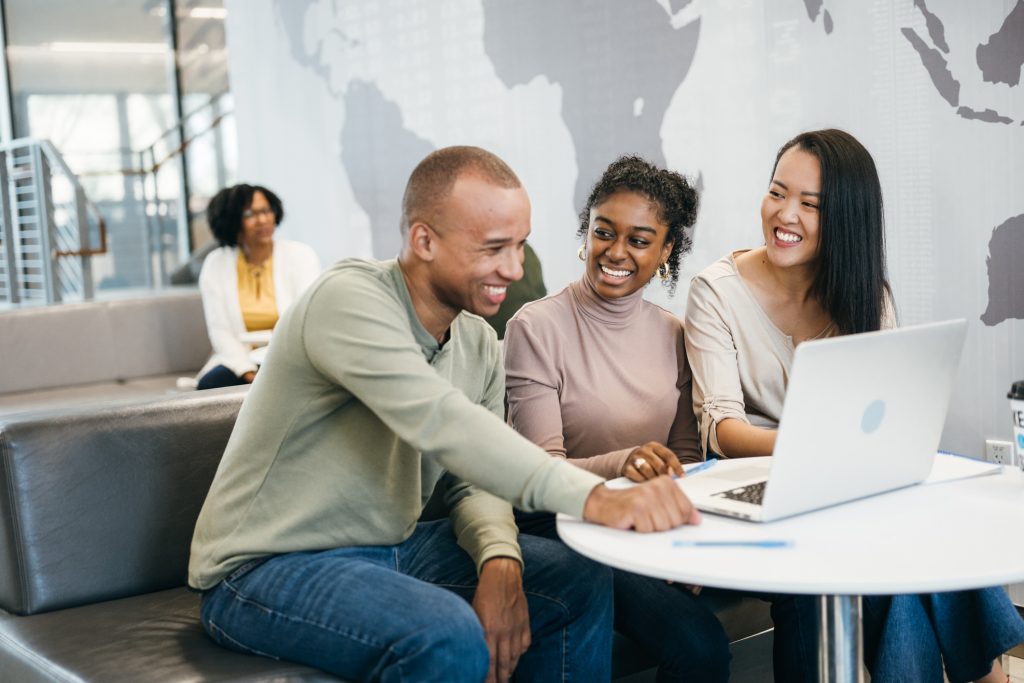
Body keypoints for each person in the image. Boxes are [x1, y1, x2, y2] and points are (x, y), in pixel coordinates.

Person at [188, 146, 701, 683]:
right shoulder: (347, 299)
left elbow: (470, 480)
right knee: (447, 633)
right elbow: (441, 422)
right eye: (493, 248)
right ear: (424, 240)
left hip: (390, 547)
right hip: (264, 567)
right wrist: (595, 499)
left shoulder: (478, 341)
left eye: (520, 245)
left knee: (575, 578)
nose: (515, 268)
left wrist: (500, 558)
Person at [684, 128, 1024, 682]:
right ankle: (991, 676)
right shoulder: (716, 292)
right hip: (768, 494)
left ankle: (988, 676)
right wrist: (822, 451)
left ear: (846, 216)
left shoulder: (867, 293)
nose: (784, 213)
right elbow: (722, 428)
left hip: (849, 487)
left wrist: (858, 457)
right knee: (894, 550)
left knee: (920, 524)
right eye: (777, 192)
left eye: (810, 204)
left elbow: (894, 411)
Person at [503, 155, 730, 681]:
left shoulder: (674, 333)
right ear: (588, 232)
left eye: (639, 239)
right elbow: (541, 474)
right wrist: (625, 464)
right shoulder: (535, 328)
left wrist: (682, 546)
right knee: (698, 646)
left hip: (647, 520)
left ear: (666, 250)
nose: (616, 252)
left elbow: (688, 458)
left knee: (707, 643)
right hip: (563, 521)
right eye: (605, 232)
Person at [195, 184, 321, 390]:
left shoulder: (300, 256)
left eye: (266, 210)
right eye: (250, 214)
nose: (262, 220)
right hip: (241, 358)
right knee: (210, 384)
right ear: (232, 220)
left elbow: (307, 319)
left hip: (290, 355)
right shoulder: (216, 263)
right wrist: (246, 371)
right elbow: (220, 330)